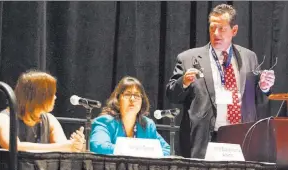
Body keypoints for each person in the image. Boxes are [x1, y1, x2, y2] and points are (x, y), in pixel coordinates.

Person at [166, 4, 276, 158]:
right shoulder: (188, 58)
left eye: (222, 29)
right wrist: (183, 81)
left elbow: (257, 101)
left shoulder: (249, 57)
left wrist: (263, 88)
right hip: (203, 139)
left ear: (234, 30)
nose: (216, 34)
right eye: (212, 28)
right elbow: (172, 95)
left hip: (241, 137)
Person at [0, 70, 85, 152]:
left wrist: (76, 145)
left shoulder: (49, 119)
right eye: (52, 94)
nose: (55, 97)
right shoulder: (4, 118)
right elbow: (12, 145)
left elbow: (61, 145)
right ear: (40, 96)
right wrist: (65, 146)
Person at [90, 76, 170, 156]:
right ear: (118, 99)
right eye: (127, 95)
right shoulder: (105, 122)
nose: (132, 99)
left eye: (137, 95)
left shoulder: (147, 125)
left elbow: (168, 150)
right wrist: (136, 150)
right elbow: (98, 146)